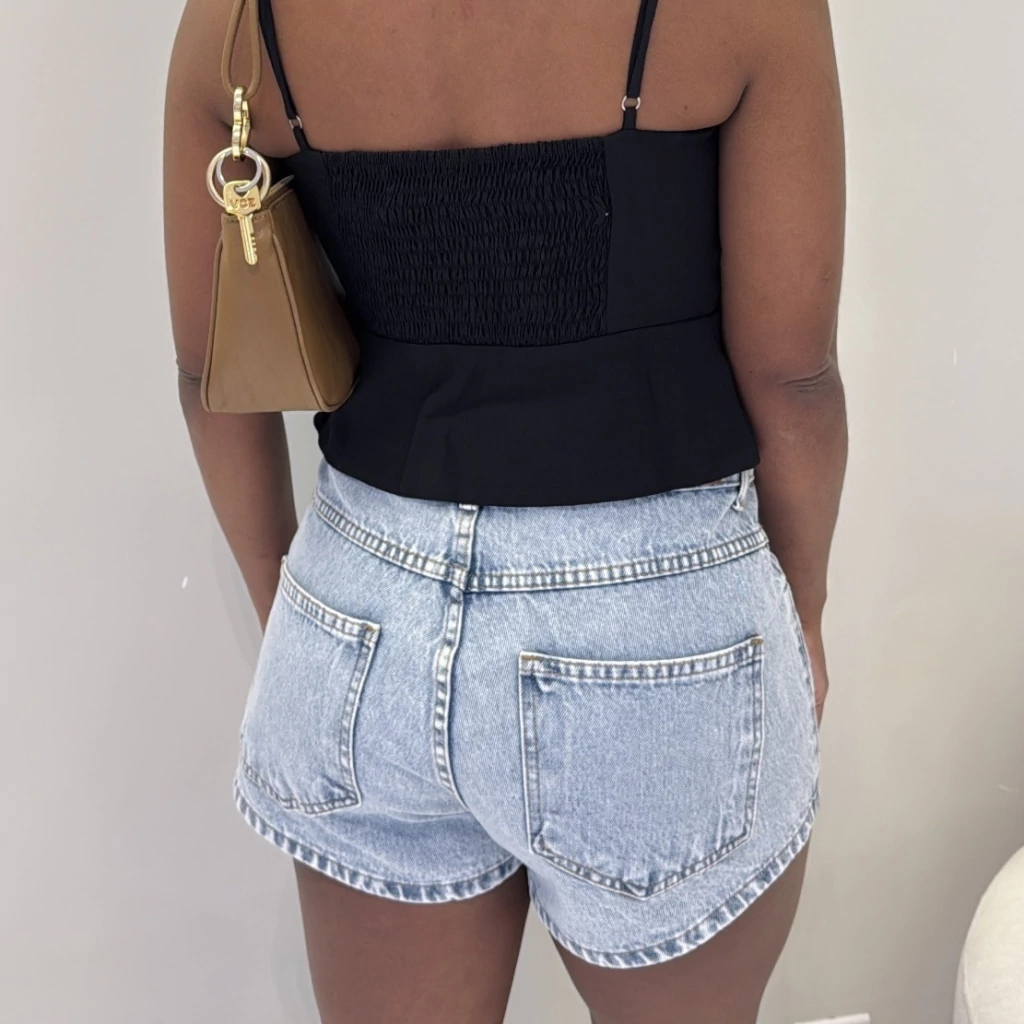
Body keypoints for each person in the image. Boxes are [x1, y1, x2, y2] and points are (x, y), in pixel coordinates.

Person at [163, 0, 847, 1019]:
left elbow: (208, 371)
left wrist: (289, 602)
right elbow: (792, 380)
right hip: (657, 632)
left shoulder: (230, 19)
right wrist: (804, 606)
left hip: (359, 608)